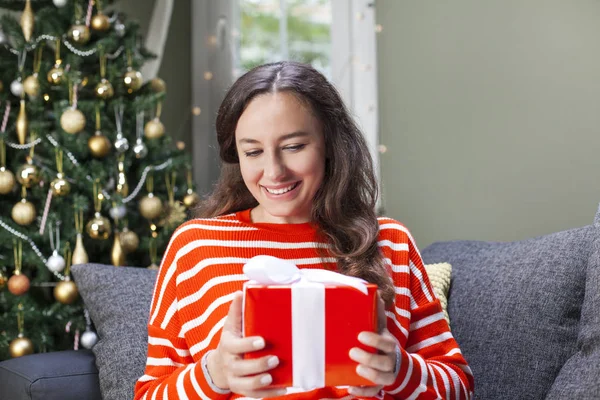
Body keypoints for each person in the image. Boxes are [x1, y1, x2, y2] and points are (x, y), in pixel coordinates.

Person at [134, 61, 474, 400]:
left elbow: (459, 387)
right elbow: (149, 394)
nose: (274, 171)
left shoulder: (390, 241)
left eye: (294, 146)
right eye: (253, 151)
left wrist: (400, 370)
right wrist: (215, 373)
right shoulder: (196, 246)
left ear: (328, 144)